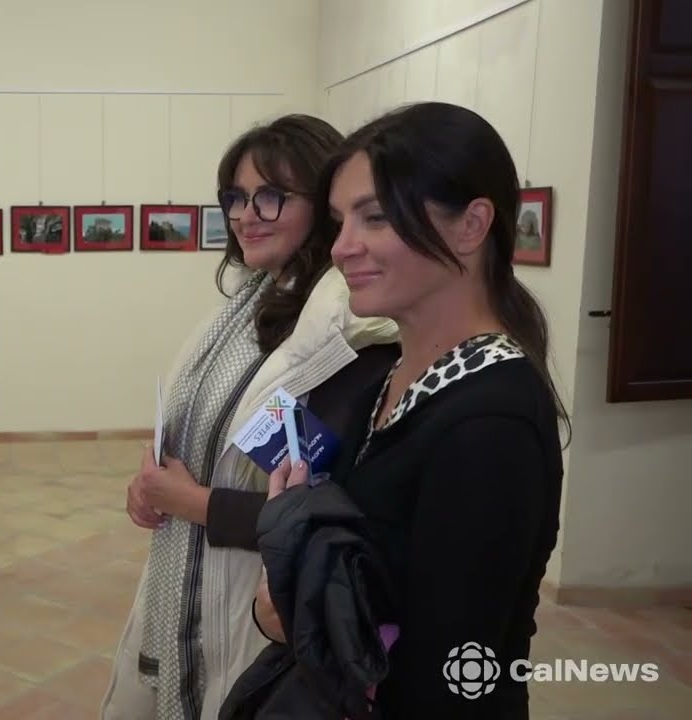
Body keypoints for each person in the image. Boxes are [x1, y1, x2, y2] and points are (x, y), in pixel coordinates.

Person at [253, 101, 569, 718]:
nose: (343, 247)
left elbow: (452, 670)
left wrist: (294, 612)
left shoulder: (489, 422)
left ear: (471, 225)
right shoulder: (394, 375)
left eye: (374, 217)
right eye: (340, 221)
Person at [102, 115, 400, 720]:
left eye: (271, 196)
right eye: (235, 197)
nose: (245, 215)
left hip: (253, 598)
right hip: (189, 570)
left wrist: (193, 501)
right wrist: (153, 482)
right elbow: (213, 433)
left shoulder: (343, 338)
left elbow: (325, 510)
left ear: (323, 205)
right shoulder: (247, 305)